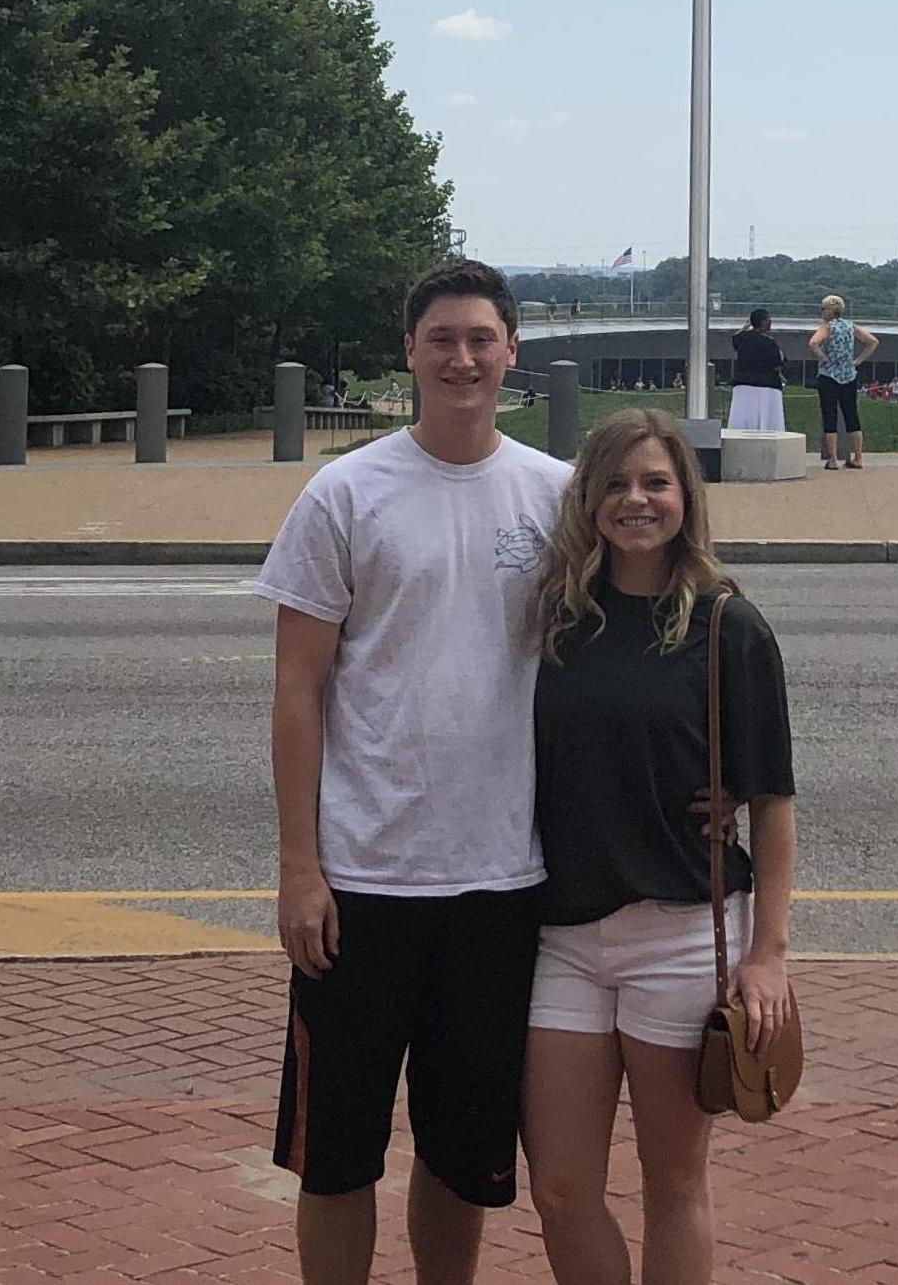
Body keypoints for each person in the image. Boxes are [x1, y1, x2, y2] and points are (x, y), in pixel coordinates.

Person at [254, 258, 573, 1285]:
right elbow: (298, 689)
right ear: (411, 353)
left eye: (482, 338)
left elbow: (617, 671)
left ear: (513, 352)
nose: (463, 357)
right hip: (363, 883)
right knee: (335, 1156)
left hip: (500, 884)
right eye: (442, 339)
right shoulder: (345, 494)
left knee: (464, 1156)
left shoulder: (558, 498)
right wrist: (301, 865)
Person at [522, 406, 796, 1285]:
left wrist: (767, 957)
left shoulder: (726, 625)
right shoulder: (557, 616)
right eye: (615, 483)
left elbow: (772, 801)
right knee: (561, 1187)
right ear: (588, 498)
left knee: (672, 1183)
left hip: (682, 931)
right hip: (559, 931)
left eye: (655, 482)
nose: (635, 500)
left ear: (686, 496)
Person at [805, 295, 874, 471]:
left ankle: (833, 459)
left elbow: (813, 343)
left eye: (822, 309)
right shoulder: (851, 326)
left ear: (829, 310)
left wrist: (823, 357)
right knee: (852, 416)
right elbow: (872, 341)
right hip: (848, 375)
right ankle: (858, 457)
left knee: (830, 416)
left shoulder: (827, 327)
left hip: (829, 375)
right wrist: (857, 360)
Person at [725, 308, 786, 433]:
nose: (771, 322)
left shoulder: (742, 339)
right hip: (767, 385)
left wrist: (746, 326)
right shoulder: (769, 343)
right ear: (763, 322)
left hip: (742, 384)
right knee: (768, 420)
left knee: (742, 417)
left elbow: (735, 336)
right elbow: (778, 362)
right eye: (768, 319)